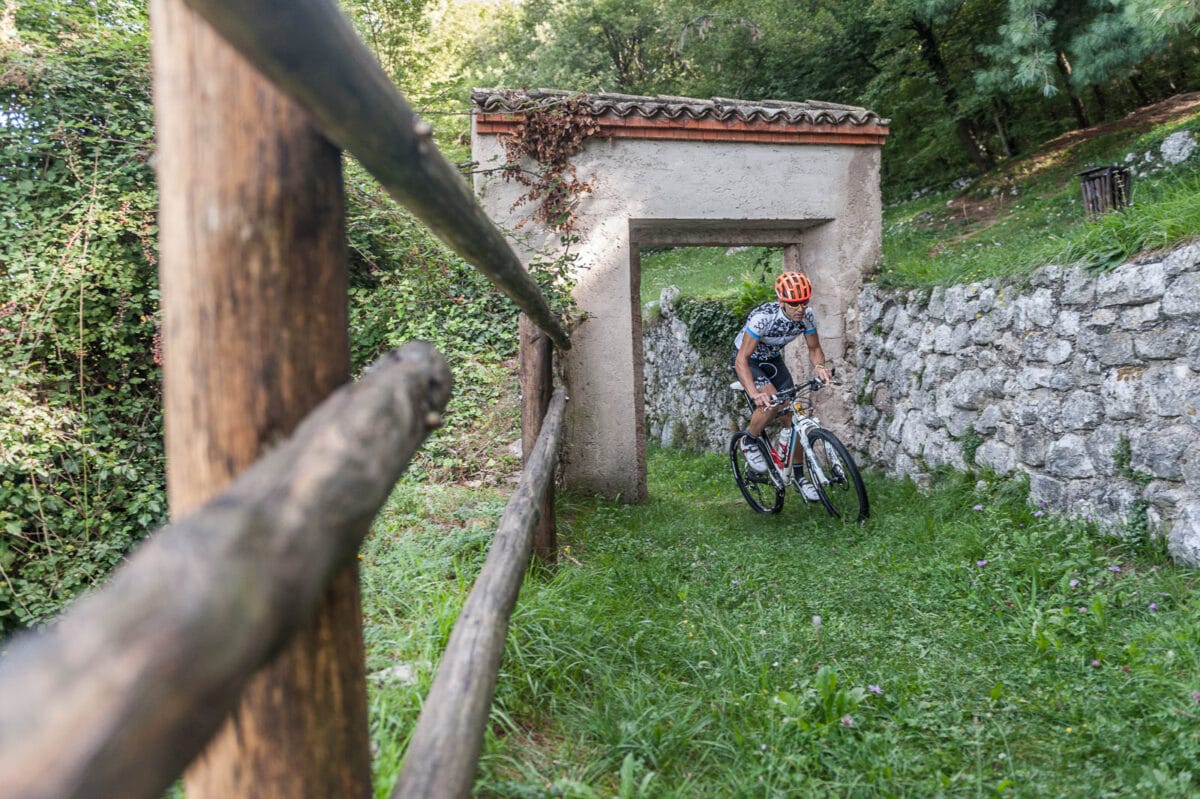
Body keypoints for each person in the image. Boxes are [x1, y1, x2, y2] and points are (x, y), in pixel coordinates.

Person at [731, 271, 833, 491]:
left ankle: (799, 476)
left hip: (773, 360)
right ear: (782, 301)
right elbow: (742, 359)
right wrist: (754, 392)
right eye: (794, 303)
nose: (800, 308)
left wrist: (821, 367)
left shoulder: (807, 316)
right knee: (771, 402)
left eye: (804, 302)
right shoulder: (763, 318)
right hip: (750, 360)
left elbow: (814, 349)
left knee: (794, 418)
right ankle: (749, 441)